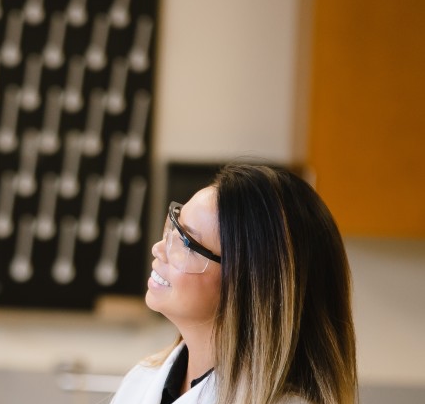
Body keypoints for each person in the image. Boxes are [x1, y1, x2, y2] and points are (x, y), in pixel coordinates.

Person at [109, 164, 358, 404]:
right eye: (174, 227)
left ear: (250, 287)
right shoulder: (141, 381)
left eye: (186, 244)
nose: (159, 249)